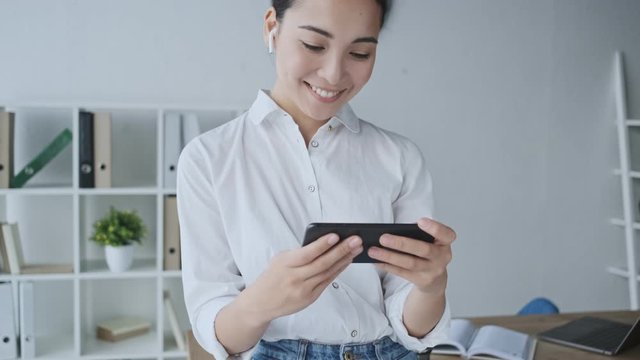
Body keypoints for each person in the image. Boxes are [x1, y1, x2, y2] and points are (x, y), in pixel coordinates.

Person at [177, 0, 456, 359]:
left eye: (359, 52)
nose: (333, 74)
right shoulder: (208, 160)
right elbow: (215, 330)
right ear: (271, 28)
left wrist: (431, 288)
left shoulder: (400, 158)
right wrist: (260, 303)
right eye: (314, 45)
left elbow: (412, 328)